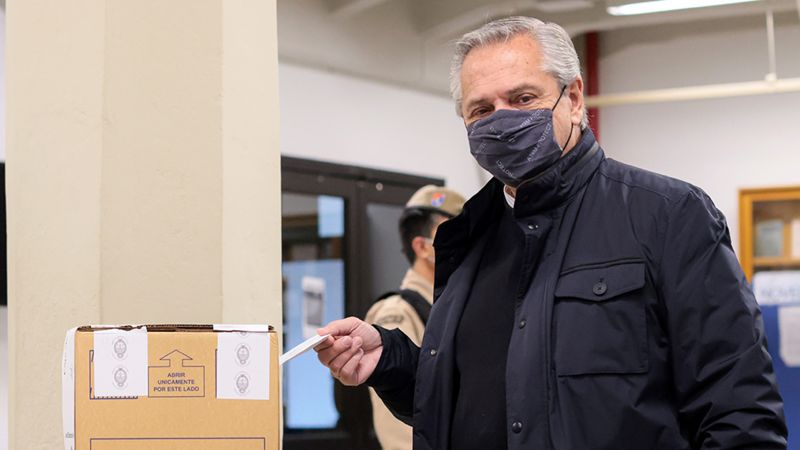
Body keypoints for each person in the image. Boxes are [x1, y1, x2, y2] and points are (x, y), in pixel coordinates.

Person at [315, 16, 788, 450]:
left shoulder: (667, 216)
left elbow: (739, 414)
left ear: (575, 98)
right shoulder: (468, 240)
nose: (502, 119)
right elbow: (488, 403)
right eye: (481, 109)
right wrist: (394, 363)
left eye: (523, 98)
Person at [365, 185, 465, 450]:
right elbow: (398, 428)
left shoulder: (453, 305)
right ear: (422, 247)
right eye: (454, 232)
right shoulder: (399, 313)